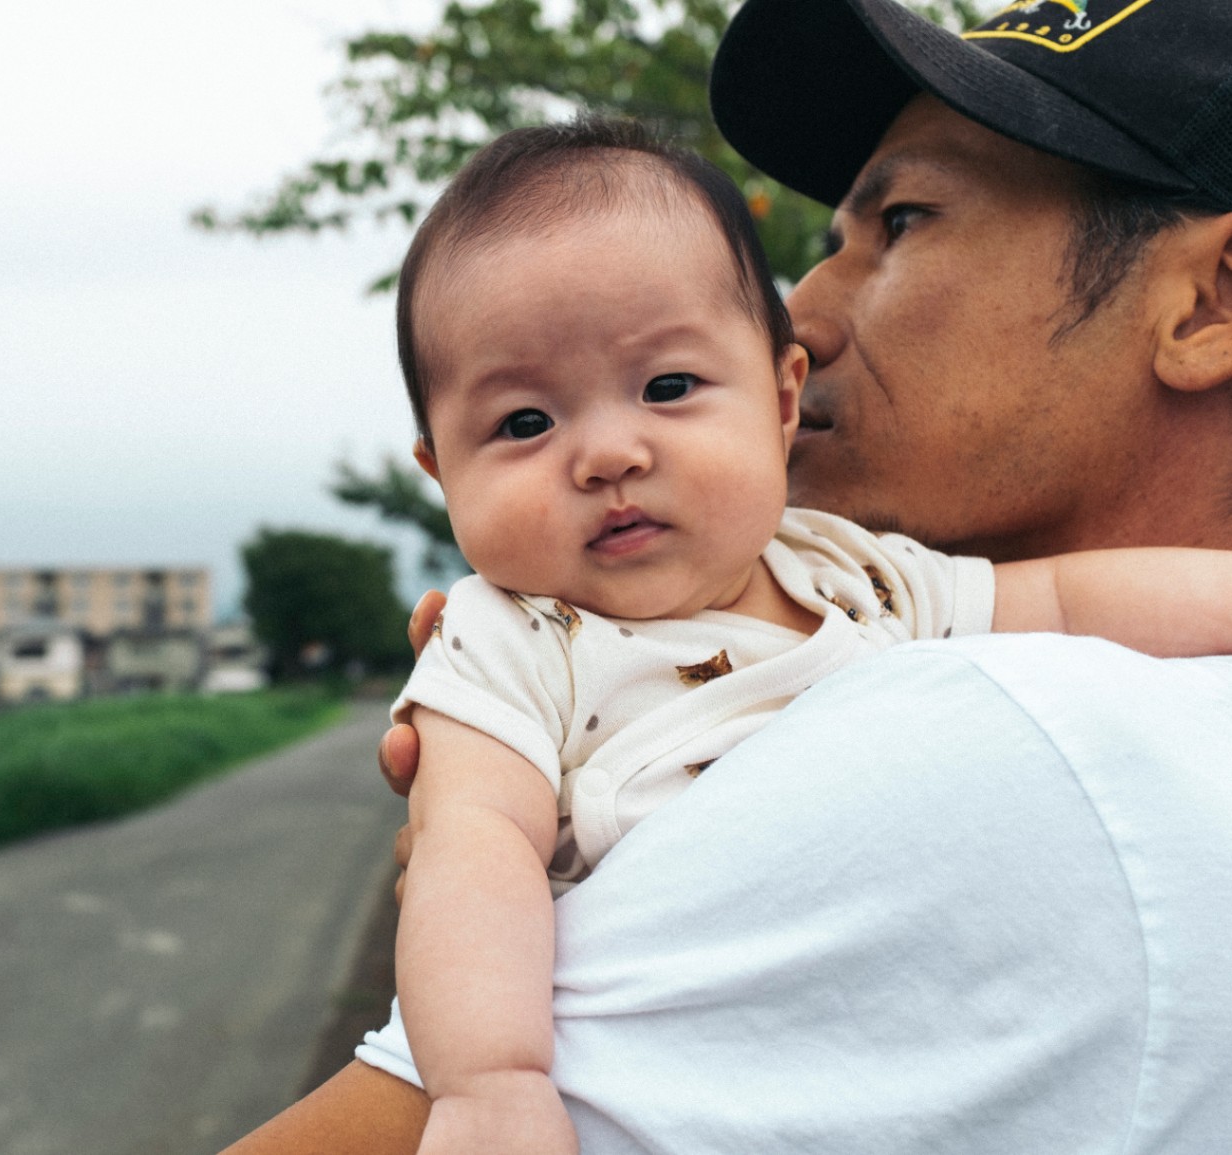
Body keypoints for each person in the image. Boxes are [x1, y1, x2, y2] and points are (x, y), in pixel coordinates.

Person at [220, 0, 1232, 1150]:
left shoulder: (1003, 729)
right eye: (523, 422)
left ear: (1209, 299)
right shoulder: (912, 622)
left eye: (901, 222)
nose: (802, 307)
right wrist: (483, 860)